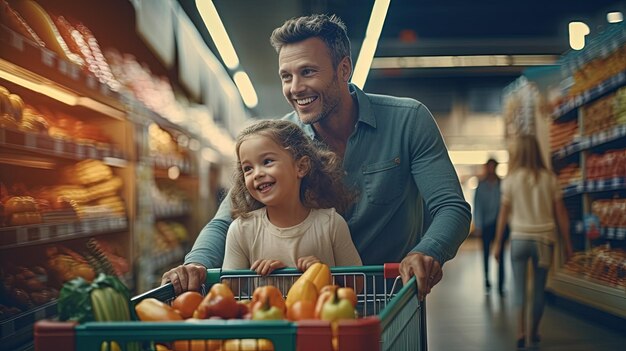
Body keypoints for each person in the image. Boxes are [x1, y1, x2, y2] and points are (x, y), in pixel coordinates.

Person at [162, 14, 471, 301]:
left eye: (307, 72)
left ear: (344, 69)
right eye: (286, 76)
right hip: (309, 310)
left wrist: (426, 252)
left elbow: (451, 208)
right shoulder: (282, 141)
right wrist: (196, 263)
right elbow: (225, 219)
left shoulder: (408, 121)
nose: (296, 88)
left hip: (392, 302)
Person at [223, 119, 362, 274]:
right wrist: (255, 274)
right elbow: (228, 288)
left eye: (267, 161)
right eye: (248, 168)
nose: (257, 174)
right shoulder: (241, 230)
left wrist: (322, 271)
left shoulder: (331, 224)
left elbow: (358, 283)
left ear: (301, 167)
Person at [492, 135, 573, 350]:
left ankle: (520, 331)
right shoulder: (550, 179)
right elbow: (561, 214)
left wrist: (498, 243)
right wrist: (568, 243)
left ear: (518, 152)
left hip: (519, 239)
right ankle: (534, 331)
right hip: (544, 241)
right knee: (538, 289)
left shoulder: (510, 179)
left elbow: (503, 214)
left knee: (518, 287)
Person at [473, 158, 507, 295]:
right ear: (486, 168)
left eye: (494, 166)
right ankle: (487, 280)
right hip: (486, 225)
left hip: (500, 225)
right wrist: (478, 225)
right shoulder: (481, 186)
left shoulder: (502, 184)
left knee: (501, 255)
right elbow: (478, 206)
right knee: (485, 254)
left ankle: (501, 285)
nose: (491, 169)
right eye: (489, 166)